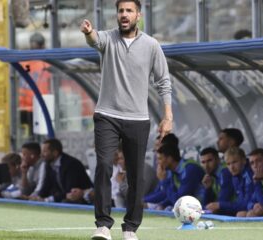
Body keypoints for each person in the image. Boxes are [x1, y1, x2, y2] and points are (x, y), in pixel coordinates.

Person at [80, 0, 173, 239]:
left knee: (135, 175)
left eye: (129, 11)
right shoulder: (107, 38)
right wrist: (89, 32)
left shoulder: (152, 45)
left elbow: (163, 82)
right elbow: (94, 40)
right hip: (106, 115)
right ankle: (103, 225)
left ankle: (130, 228)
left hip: (138, 119)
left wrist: (167, 116)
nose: (124, 14)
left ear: (138, 16)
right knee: (103, 165)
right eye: (121, 11)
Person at [144, 143, 205, 210]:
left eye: (160, 159)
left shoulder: (189, 169)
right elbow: (167, 194)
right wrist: (162, 204)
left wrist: (164, 181)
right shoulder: (173, 171)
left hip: (201, 209)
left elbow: (179, 201)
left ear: (169, 159)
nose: (157, 163)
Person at [37, 138, 93, 203]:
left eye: (44, 152)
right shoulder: (49, 163)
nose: (41, 155)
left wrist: (48, 199)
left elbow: (70, 190)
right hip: (64, 198)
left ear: (55, 153)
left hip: (81, 200)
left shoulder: (71, 164)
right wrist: (38, 197)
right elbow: (46, 185)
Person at [19, 32, 51, 136]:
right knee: (39, 135)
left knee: (27, 135)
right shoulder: (46, 64)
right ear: (43, 46)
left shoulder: (23, 63)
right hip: (39, 106)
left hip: (24, 105)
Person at [206, 147, 253, 216]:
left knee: (241, 214)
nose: (231, 167)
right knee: (214, 211)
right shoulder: (236, 176)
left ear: (244, 160)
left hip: (257, 209)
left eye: (234, 162)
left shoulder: (249, 174)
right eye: (228, 164)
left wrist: (220, 205)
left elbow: (246, 204)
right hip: (243, 208)